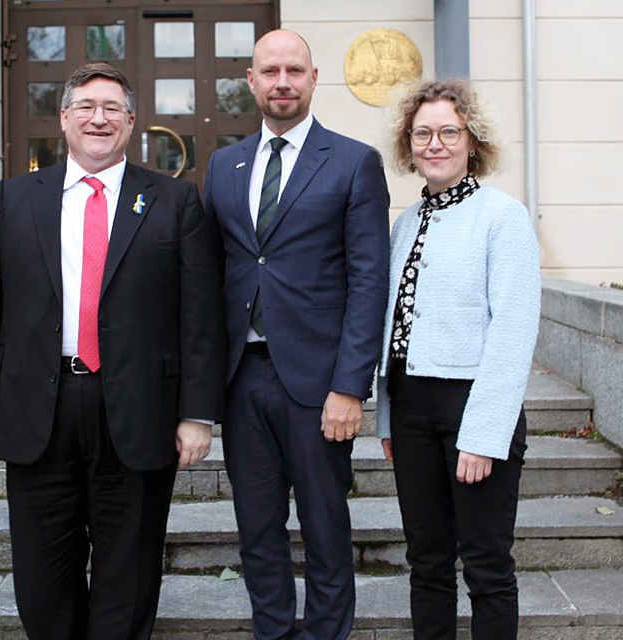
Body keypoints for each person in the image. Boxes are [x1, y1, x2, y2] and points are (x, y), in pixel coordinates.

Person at [0, 62, 225, 640]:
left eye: (112, 108)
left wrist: (197, 414)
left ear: (131, 122)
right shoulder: (16, 196)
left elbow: (199, 315)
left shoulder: (175, 200)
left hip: (137, 412)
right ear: (63, 118)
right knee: (40, 572)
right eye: (85, 106)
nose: (98, 118)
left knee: (128, 570)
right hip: (38, 408)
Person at [203, 29, 390, 640]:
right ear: (250, 82)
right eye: (270, 71)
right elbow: (213, 274)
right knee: (256, 530)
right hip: (242, 378)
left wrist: (350, 387)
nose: (282, 82)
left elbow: (368, 281)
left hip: (317, 384)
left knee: (325, 529)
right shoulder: (224, 165)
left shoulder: (353, 161)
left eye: (295, 71)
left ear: (313, 80)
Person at [376, 78, 540, 640]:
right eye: (423, 133)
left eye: (449, 131)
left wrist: (484, 434)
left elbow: (514, 330)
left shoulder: (503, 216)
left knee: (487, 566)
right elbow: (394, 330)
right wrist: (387, 418)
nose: (435, 143)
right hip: (412, 410)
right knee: (426, 562)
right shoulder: (406, 224)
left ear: (473, 142)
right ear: (409, 143)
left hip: (473, 407)